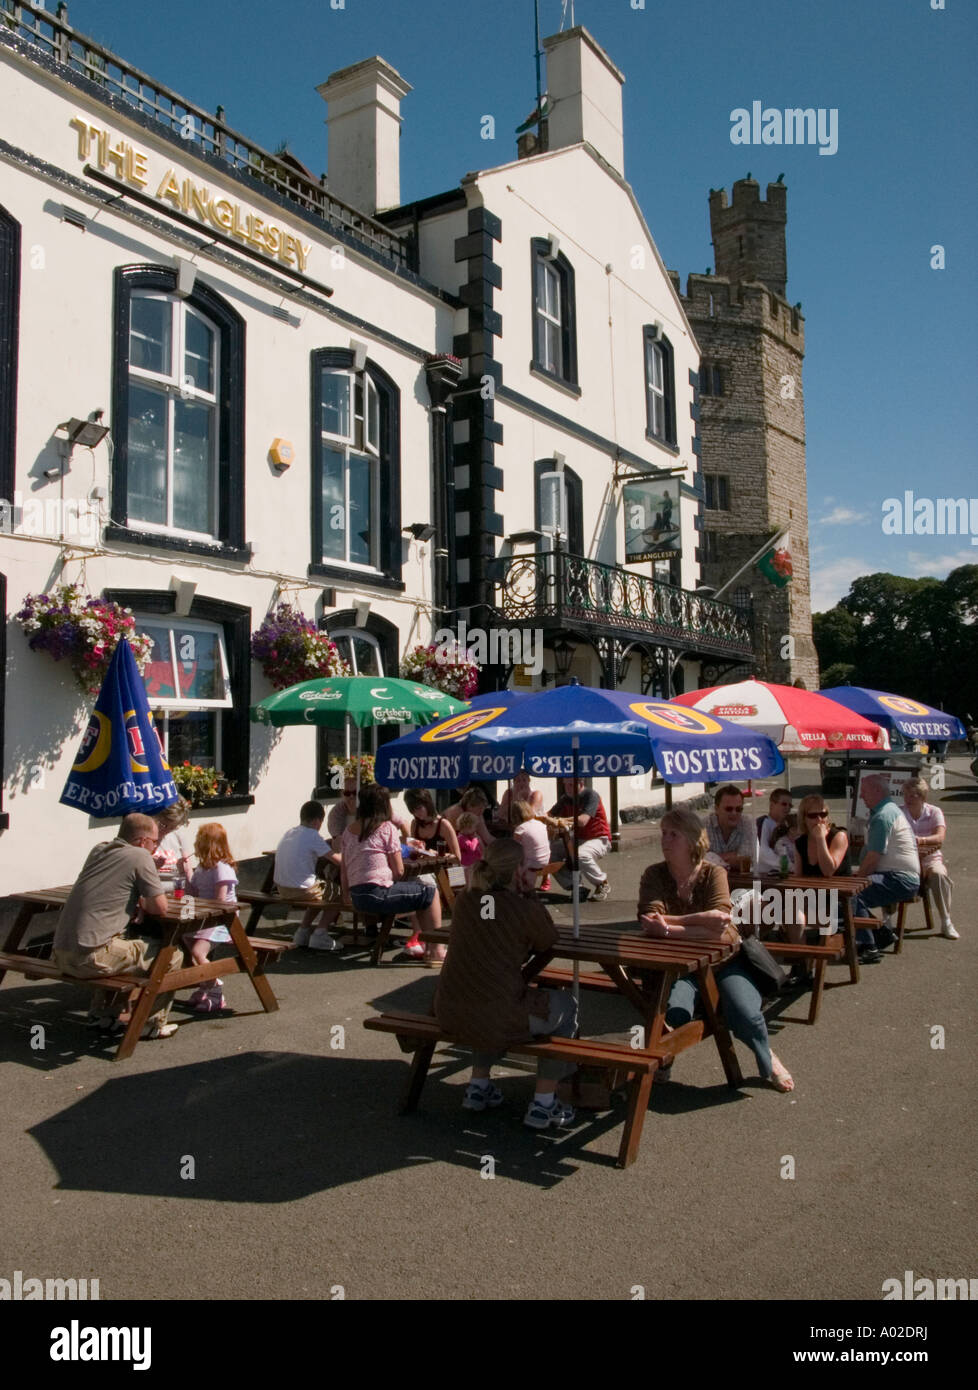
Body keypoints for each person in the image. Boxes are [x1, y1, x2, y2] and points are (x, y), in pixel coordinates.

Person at [637, 806, 794, 1092]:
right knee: (673, 1014)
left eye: (674, 834)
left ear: (693, 840)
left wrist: (670, 928)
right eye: (663, 833)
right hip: (680, 968)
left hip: (725, 962)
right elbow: (649, 920)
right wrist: (701, 922)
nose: (665, 840)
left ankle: (767, 1057)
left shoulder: (713, 874)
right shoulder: (653, 875)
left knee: (745, 1013)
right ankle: (665, 1058)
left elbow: (722, 931)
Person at [434, 839, 579, 1130]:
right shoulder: (522, 909)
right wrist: (531, 895)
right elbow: (548, 939)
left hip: (449, 1009)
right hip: (496, 1014)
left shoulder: (465, 901)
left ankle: (478, 1084)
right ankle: (544, 1102)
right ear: (517, 872)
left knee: (485, 991)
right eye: (526, 865)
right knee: (566, 1006)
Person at [52, 813, 182, 1039]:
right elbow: (159, 907)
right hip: (91, 958)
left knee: (118, 942)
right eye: (154, 842)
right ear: (142, 841)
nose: (154, 847)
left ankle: (102, 1015)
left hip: (60, 953)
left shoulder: (99, 850)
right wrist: (145, 897)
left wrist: (138, 901)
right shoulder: (140, 855)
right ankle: (151, 1024)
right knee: (171, 955)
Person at [341, 785, 443, 964]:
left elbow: (344, 869)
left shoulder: (348, 831)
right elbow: (399, 871)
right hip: (378, 894)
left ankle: (425, 945)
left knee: (417, 894)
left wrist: (345, 895)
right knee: (430, 892)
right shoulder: (386, 828)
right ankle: (435, 951)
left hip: (357, 895)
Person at [851, 774, 920, 963]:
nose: (862, 796)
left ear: (876, 791)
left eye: (864, 792)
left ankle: (869, 946)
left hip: (899, 878)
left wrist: (855, 881)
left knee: (852, 894)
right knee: (851, 893)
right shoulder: (888, 811)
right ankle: (881, 934)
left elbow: (874, 857)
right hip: (898, 875)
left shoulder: (883, 816)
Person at [274, 800, 342, 952]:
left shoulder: (290, 832)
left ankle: (303, 931)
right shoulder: (312, 835)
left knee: (320, 888)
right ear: (317, 820)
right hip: (302, 890)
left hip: (282, 889)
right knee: (340, 894)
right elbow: (338, 861)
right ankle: (320, 933)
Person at [185, 822, 238, 1012]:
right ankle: (204, 986)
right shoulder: (201, 869)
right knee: (185, 941)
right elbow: (192, 894)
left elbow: (220, 901)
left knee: (198, 953)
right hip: (207, 918)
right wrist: (187, 874)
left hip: (222, 920)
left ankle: (215, 989)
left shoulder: (221, 868)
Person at [901, 777, 957, 939]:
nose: (908, 799)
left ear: (923, 797)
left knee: (939, 875)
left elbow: (940, 837)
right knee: (888, 874)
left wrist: (921, 840)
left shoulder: (934, 812)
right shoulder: (899, 812)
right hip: (906, 861)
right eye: (905, 795)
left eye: (913, 796)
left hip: (930, 859)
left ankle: (946, 920)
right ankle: (888, 920)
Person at [544, 776, 611, 901]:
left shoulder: (591, 795)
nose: (568, 788)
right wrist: (538, 817)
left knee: (581, 855)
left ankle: (601, 882)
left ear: (581, 783)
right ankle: (576, 886)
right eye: (566, 785)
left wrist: (560, 820)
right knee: (548, 853)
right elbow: (549, 815)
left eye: (571, 785)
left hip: (598, 838)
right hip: (577, 839)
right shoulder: (565, 799)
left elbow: (582, 820)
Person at [706, 783, 756, 871]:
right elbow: (700, 861)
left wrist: (714, 858)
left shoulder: (747, 823)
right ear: (716, 809)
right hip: (711, 881)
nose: (734, 813)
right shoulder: (704, 825)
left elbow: (747, 859)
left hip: (741, 881)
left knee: (758, 884)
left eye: (738, 809)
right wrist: (734, 856)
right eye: (729, 809)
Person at [511, 799, 552, 894]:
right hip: (545, 860)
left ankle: (520, 889)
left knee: (513, 860)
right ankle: (527, 889)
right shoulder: (540, 824)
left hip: (532, 864)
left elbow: (515, 850)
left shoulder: (520, 828)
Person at [153, 797, 193, 885]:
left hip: (178, 888)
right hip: (155, 889)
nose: (167, 830)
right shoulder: (148, 836)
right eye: (164, 825)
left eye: (172, 827)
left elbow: (188, 869)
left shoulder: (178, 834)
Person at [756, 788, 793, 875]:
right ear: (772, 805)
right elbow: (762, 852)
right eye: (784, 804)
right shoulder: (763, 822)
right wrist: (789, 866)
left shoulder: (788, 825)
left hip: (785, 873)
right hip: (765, 875)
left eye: (790, 805)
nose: (787, 808)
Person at [455, 811, 484, 887]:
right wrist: (475, 839)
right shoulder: (461, 838)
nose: (476, 829)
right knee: (466, 885)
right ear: (468, 827)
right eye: (474, 827)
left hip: (471, 864)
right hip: (464, 865)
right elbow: (471, 848)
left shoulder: (469, 837)